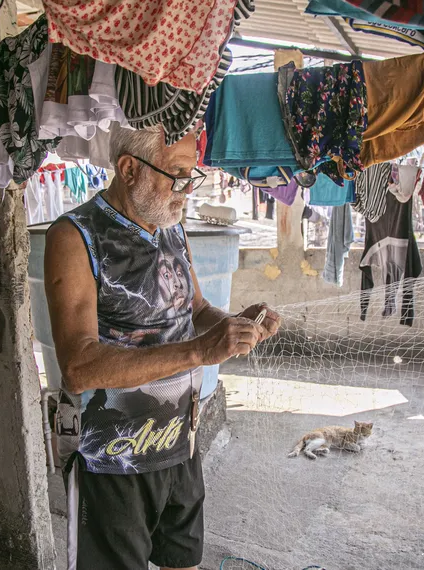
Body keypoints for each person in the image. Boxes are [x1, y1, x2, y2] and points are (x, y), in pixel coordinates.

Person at [44, 124, 281, 570]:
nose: (187, 190)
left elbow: (195, 308)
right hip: (113, 458)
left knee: (182, 562)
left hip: (179, 443)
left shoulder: (171, 228)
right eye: (176, 174)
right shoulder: (75, 237)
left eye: (193, 177)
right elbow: (78, 365)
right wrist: (199, 352)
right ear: (129, 169)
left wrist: (238, 324)